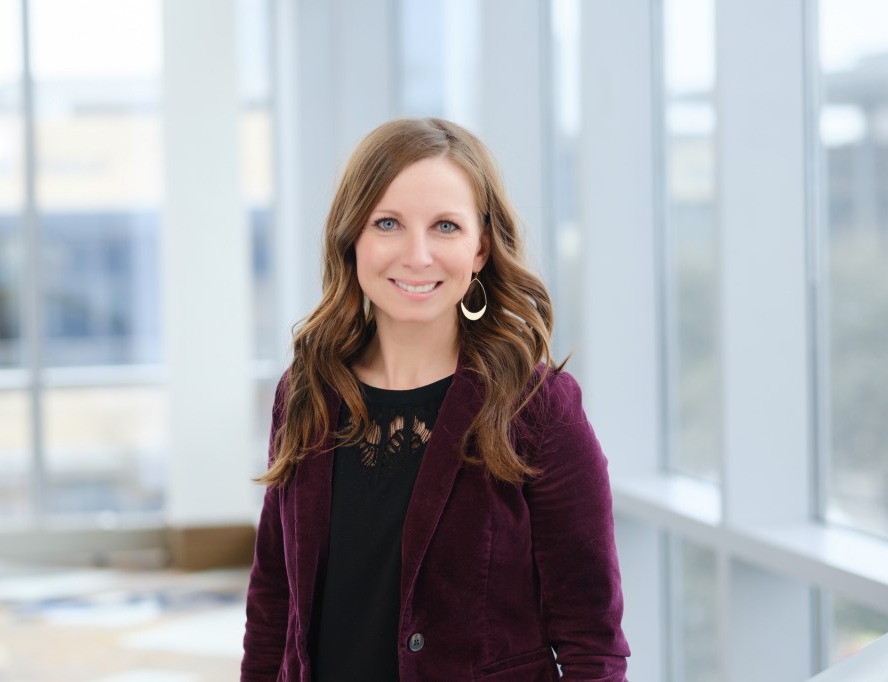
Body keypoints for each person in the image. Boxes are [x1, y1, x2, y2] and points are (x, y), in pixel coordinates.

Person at [241, 118, 629, 682]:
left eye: (446, 226)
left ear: (480, 249)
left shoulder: (536, 408)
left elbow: (591, 639)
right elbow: (274, 601)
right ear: (353, 240)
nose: (417, 255)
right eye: (389, 223)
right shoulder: (306, 392)